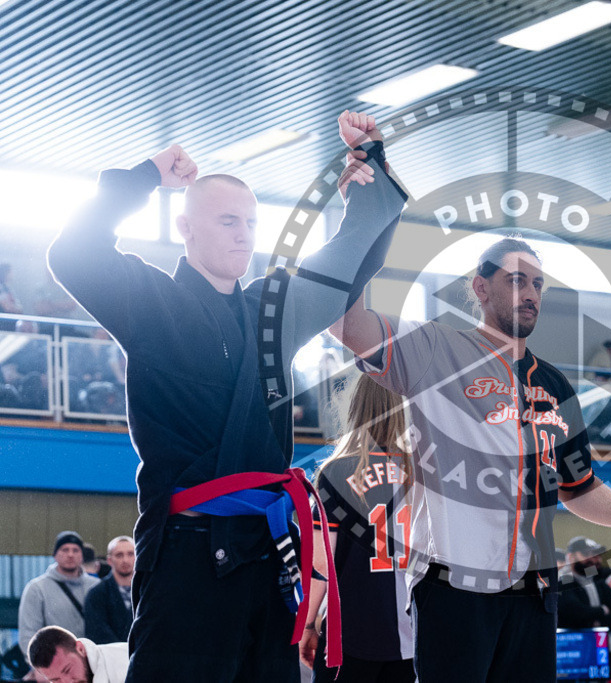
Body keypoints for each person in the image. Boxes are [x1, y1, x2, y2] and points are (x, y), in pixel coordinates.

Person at [47, 111, 406, 682]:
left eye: (251, 223)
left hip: (268, 554)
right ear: (186, 228)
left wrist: (371, 165)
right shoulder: (149, 302)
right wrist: (144, 177)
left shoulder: (274, 309)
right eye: (227, 221)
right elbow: (73, 253)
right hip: (187, 551)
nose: (244, 234)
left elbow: (353, 258)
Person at [328, 236, 611, 682]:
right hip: (453, 588)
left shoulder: (556, 385)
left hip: (535, 593)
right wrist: (368, 224)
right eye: (517, 280)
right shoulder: (435, 351)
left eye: (538, 284)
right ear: (481, 289)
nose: (531, 293)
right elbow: (347, 323)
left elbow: (580, 489)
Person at [299, 375, 415, 683]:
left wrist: (307, 625)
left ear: (354, 410)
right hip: (411, 635)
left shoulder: (335, 473)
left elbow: (320, 564)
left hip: (349, 632)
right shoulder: (422, 475)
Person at [559, 536, 611, 665]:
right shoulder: (562, 582)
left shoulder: (600, 583)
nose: (594, 559)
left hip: (602, 654)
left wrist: (596, 615)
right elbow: (574, 612)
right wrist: (604, 610)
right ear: (571, 557)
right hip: (572, 654)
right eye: (587, 554)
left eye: (597, 555)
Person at [18, 531, 100, 659]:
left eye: (75, 550)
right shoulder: (36, 588)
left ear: (82, 556)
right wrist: (37, 665)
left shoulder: (96, 586)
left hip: (92, 660)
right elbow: (28, 633)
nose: (70, 554)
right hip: (54, 661)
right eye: (64, 549)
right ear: (55, 555)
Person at [27, 626, 128, 683]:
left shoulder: (127, 663)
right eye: (56, 680)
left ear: (80, 648)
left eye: (67, 670)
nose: (68, 682)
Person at [84, 537, 135, 644]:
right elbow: (97, 633)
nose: (125, 560)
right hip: (111, 657)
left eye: (130, 554)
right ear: (109, 560)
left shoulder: (148, 593)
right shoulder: (96, 594)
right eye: (119, 555)